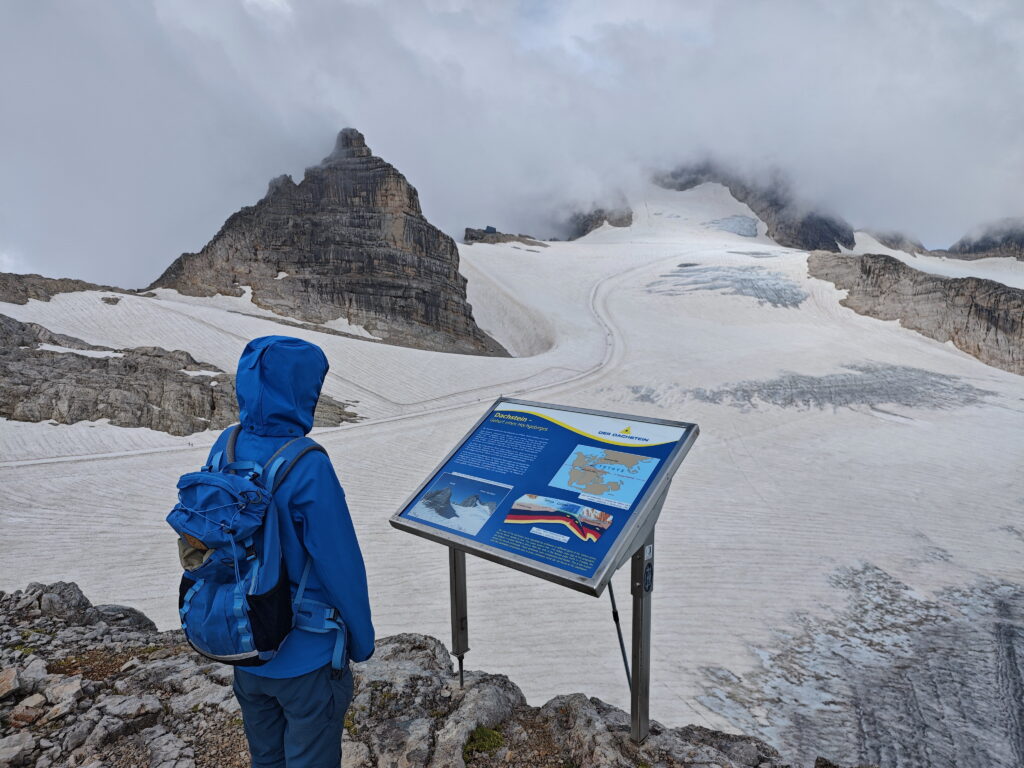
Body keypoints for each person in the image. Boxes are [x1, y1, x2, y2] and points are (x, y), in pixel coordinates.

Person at [203, 335, 375, 768]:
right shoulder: (307, 463)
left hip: (246, 644)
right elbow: (339, 563)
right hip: (306, 656)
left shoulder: (226, 446)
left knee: (267, 758)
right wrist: (362, 640)